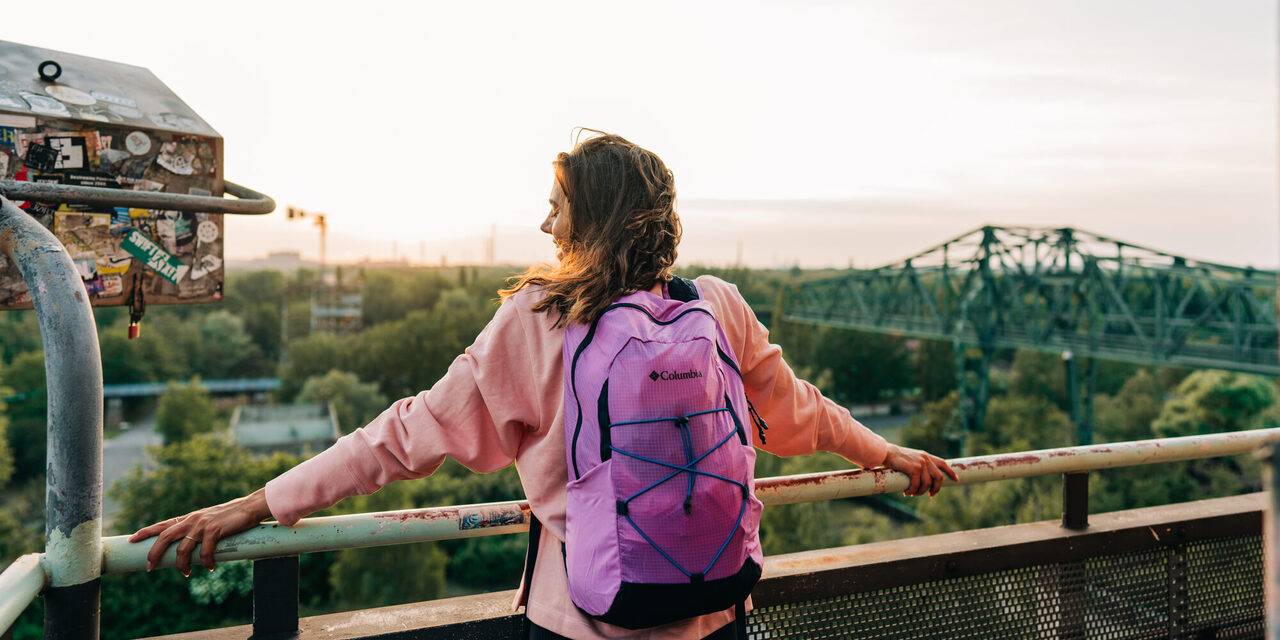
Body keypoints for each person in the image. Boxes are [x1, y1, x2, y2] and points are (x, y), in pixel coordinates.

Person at [130, 132, 958, 639]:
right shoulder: (717, 306)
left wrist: (262, 503)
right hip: (718, 613)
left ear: (590, 220)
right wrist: (886, 452)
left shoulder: (540, 319)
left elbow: (403, 436)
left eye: (556, 206)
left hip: (586, 622)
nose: (543, 225)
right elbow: (798, 413)